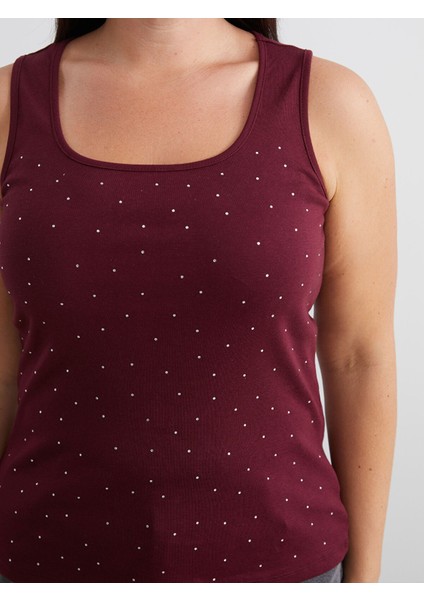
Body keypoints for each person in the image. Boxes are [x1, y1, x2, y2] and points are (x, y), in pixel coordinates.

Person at [0, 18, 397, 583]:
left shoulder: (329, 102)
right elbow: (4, 364)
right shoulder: (9, 104)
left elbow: (359, 356)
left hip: (284, 564)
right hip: (45, 560)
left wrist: (367, 582)